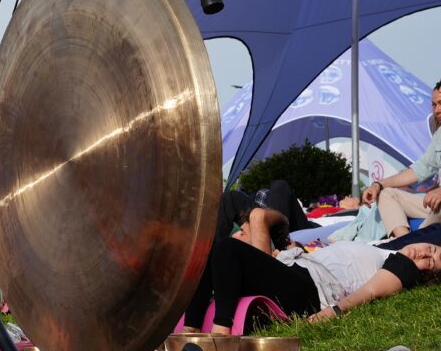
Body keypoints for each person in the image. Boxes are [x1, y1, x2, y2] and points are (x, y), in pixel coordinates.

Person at [183, 207, 440, 333]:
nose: (423, 254)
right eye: (430, 249)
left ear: (427, 275)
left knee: (227, 248)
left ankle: (221, 333)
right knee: (211, 251)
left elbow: (375, 288)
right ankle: (189, 333)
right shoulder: (384, 248)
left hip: (310, 289)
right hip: (297, 272)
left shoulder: (403, 267)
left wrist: (334, 311)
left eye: (429, 262)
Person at [361, 80, 441, 238]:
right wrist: (378, 185)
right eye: (434, 105)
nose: (437, 110)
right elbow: (421, 169)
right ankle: (405, 241)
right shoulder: (439, 134)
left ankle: (415, 243)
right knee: (386, 194)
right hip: (435, 203)